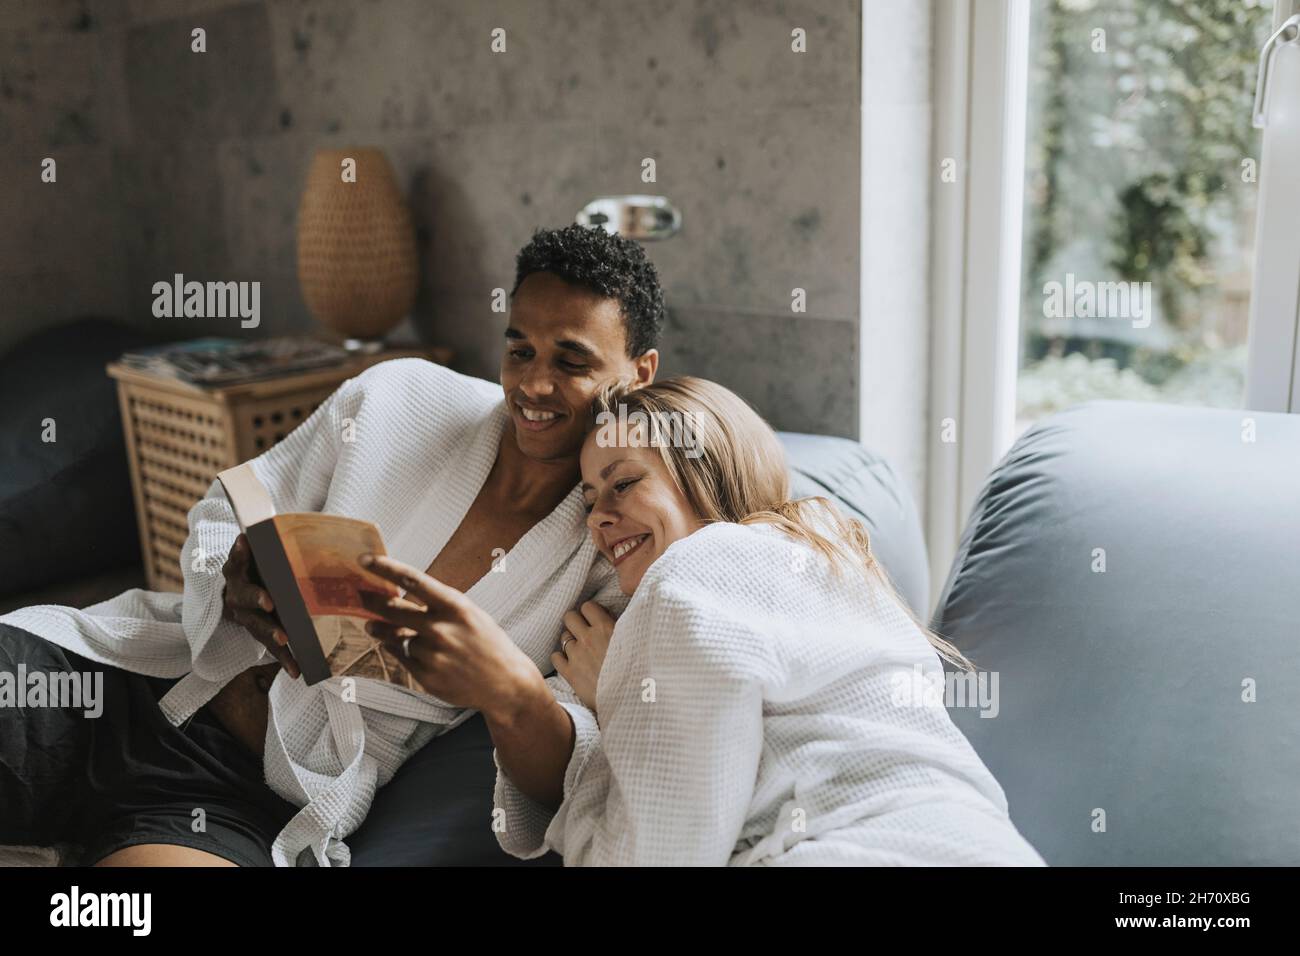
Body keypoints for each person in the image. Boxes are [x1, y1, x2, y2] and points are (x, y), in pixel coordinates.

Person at [0, 223, 662, 866]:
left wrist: (510, 688)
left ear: (639, 372)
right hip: (139, 679)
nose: (533, 386)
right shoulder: (400, 396)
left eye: (572, 362)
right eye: (520, 351)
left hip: (239, 797)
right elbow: (230, 505)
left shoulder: (614, 554)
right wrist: (233, 572)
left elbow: (566, 769)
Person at [359, 378, 1046, 865]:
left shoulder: (696, 569)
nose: (598, 516)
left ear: (705, 469)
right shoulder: (828, 564)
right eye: (591, 498)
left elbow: (652, 854)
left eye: (624, 483)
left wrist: (620, 702)